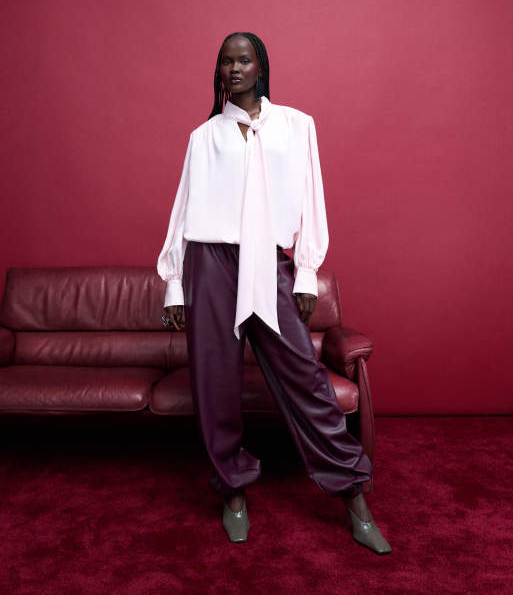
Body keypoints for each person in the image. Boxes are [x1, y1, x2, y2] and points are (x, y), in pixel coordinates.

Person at [157, 32, 391, 554]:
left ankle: (354, 496)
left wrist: (306, 273)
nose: (234, 68)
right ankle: (233, 492)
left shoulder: (297, 125)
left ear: (260, 66)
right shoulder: (204, 137)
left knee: (306, 380)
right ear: (219, 71)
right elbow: (184, 206)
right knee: (215, 384)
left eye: (244, 60)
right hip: (210, 263)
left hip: (270, 259)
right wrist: (174, 282)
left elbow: (311, 197)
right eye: (226, 61)